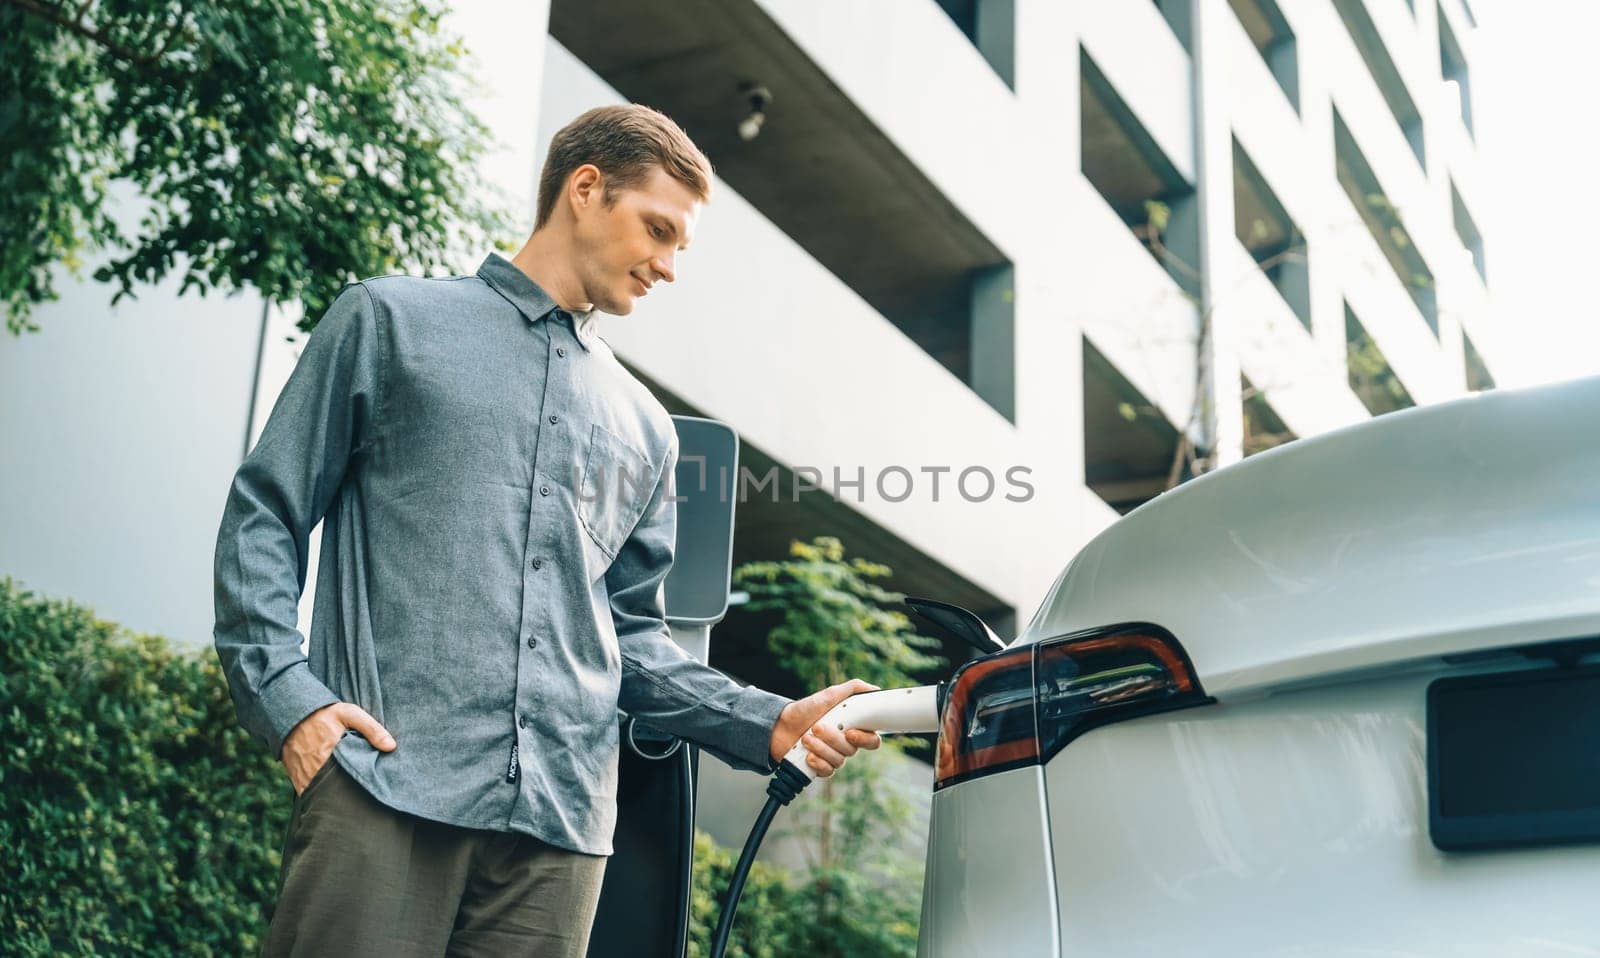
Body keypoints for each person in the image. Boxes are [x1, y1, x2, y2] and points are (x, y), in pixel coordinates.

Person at [213, 103, 882, 958]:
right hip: (385, 788)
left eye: (683, 246)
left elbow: (629, 641)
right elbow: (264, 511)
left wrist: (770, 721)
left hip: (561, 837)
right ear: (586, 189)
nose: (670, 266)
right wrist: (290, 700)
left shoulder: (648, 427)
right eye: (658, 230)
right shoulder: (388, 323)